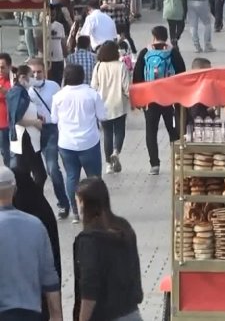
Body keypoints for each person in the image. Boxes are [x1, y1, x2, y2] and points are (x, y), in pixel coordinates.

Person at [73, 178, 143, 321]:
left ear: (83, 203)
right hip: (131, 312)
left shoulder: (89, 240)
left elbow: (89, 288)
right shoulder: (123, 227)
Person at [0, 165, 62, 321]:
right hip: (32, 312)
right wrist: (57, 315)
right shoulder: (36, 225)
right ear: (15, 190)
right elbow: (50, 277)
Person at [51, 64, 105, 223]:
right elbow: (102, 116)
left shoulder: (58, 96)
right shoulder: (92, 94)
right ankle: (95, 211)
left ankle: (75, 211)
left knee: (71, 177)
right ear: (83, 76)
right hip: (89, 142)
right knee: (94, 179)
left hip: (66, 143)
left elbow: (54, 119)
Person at [133, 26, 186, 175]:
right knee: (173, 129)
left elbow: (137, 76)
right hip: (169, 99)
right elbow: (182, 73)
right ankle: (177, 160)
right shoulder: (173, 52)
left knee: (151, 131)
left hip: (150, 99)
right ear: (166, 36)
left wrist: (139, 99)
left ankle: (154, 165)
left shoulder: (145, 52)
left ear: (153, 36)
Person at [24, 58, 68, 218]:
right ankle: (36, 206)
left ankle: (63, 203)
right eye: (32, 73)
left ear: (45, 71)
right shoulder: (24, 90)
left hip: (50, 130)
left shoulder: (53, 86)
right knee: (35, 173)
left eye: (39, 72)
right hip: (31, 131)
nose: (36, 75)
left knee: (53, 168)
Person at [91, 42, 130, 175]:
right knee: (119, 131)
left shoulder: (98, 66)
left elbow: (93, 86)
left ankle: (108, 164)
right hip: (119, 104)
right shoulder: (121, 66)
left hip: (103, 105)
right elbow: (127, 87)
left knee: (107, 134)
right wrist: (133, 100)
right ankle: (116, 152)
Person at [9, 65, 46, 188]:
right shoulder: (18, 93)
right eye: (31, 76)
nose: (34, 78)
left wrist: (36, 116)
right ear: (23, 77)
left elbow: (25, 110)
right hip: (24, 139)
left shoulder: (23, 92)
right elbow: (17, 118)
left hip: (29, 138)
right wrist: (35, 122)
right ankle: (32, 196)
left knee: (36, 175)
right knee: (32, 175)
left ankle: (33, 196)